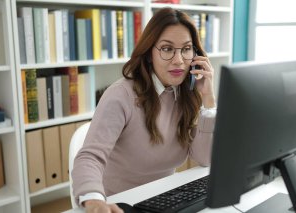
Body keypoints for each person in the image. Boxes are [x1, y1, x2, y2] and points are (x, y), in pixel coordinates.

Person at [72, 7, 217, 213]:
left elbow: (204, 158)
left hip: (165, 199)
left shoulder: (188, 94)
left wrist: (209, 101)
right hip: (120, 204)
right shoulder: (120, 95)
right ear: (150, 53)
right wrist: (95, 201)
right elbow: (90, 157)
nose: (179, 60)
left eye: (186, 49)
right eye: (167, 49)